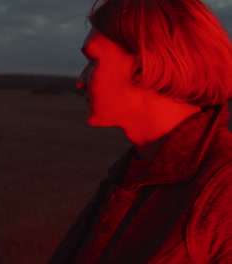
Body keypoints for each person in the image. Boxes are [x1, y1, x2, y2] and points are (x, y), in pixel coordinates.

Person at [49, 0, 232, 263]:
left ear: (145, 63)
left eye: (93, 60)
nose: (80, 81)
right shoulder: (134, 171)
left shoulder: (223, 189)